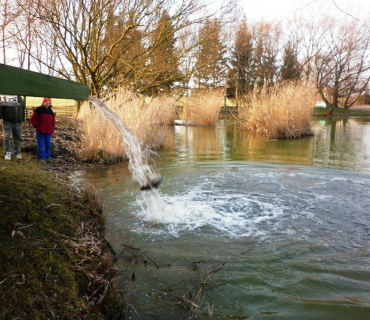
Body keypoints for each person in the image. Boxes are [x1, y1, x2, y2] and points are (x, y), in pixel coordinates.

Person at [0, 95, 25, 160]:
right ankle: (8, 152)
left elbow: (22, 108)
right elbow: (1, 107)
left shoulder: (20, 98)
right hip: (8, 121)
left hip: (18, 122)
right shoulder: (7, 97)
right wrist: (1, 117)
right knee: (7, 137)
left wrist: (23, 119)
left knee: (18, 137)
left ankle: (17, 153)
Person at [31, 97, 56, 161]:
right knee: (41, 144)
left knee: (48, 144)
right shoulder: (38, 109)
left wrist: (52, 129)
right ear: (43, 102)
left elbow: (53, 121)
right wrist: (37, 126)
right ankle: (42, 157)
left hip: (48, 131)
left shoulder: (51, 111)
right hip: (40, 130)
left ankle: (47, 156)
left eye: (49, 103)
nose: (47, 104)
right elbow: (33, 119)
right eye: (46, 102)